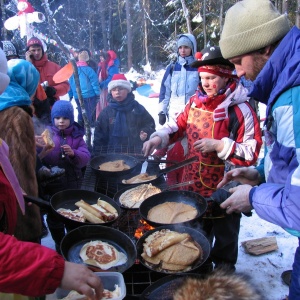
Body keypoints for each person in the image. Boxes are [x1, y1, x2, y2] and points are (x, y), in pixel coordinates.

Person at [142, 46, 262, 271]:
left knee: (226, 229)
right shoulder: (194, 102)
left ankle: (225, 266)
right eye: (202, 78)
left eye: (211, 78)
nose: (206, 83)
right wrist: (159, 138)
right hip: (193, 182)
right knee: (197, 227)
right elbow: (177, 125)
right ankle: (198, 263)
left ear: (226, 77)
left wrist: (219, 145)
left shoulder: (240, 109)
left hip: (226, 184)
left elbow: (251, 152)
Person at [0, 49, 103, 300]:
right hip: (17, 227)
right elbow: (20, 165)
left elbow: (10, 158)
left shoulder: (10, 108)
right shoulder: (17, 113)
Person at [217, 0, 300, 298]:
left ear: (265, 48)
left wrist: (253, 196)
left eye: (239, 61)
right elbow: (291, 155)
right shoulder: (289, 79)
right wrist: (260, 174)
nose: (237, 72)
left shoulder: (295, 98)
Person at [38, 100, 90, 251]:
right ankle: (59, 243)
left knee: (74, 216)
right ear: (53, 118)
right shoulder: (46, 134)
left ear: (71, 119)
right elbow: (36, 157)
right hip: (52, 186)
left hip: (73, 183)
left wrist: (74, 154)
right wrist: (41, 154)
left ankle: (73, 243)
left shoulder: (77, 136)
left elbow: (86, 156)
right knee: (54, 218)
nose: (61, 121)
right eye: (58, 118)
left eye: (65, 118)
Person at [155, 33, 199, 185]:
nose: (183, 50)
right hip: (174, 113)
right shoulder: (172, 68)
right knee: (173, 147)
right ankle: (172, 183)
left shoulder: (198, 68)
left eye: (186, 47)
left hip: (194, 115)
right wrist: (162, 110)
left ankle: (187, 181)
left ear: (192, 48)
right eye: (180, 47)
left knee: (189, 148)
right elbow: (164, 91)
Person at [93, 73, 155, 155]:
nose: (117, 92)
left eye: (121, 89)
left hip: (135, 153)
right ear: (110, 92)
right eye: (114, 89)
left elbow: (149, 124)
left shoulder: (137, 109)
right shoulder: (106, 113)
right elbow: (99, 136)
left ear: (128, 90)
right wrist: (97, 155)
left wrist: (145, 131)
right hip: (111, 155)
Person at [25, 36, 70, 128]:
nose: (37, 53)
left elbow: (66, 86)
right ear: (28, 52)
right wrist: (28, 64)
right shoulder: (23, 68)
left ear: (42, 50)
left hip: (52, 110)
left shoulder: (53, 67)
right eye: (33, 50)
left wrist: (54, 90)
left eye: (39, 49)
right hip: (32, 112)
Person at [68, 50, 100, 127]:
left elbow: (70, 83)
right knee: (90, 111)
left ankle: (80, 124)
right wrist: (98, 93)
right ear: (87, 60)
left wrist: (71, 94)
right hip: (89, 95)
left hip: (77, 96)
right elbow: (95, 83)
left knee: (80, 110)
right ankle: (89, 125)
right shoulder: (89, 70)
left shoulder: (73, 70)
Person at [96, 51, 109, 119]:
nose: (101, 58)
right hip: (100, 87)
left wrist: (102, 84)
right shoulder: (100, 65)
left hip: (105, 87)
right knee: (100, 103)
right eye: (100, 57)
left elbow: (109, 77)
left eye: (102, 57)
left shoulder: (107, 66)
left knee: (106, 102)